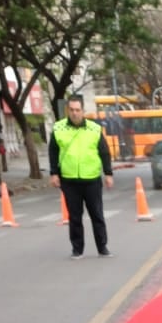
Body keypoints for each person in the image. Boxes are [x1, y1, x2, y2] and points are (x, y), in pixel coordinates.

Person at [49, 94, 114, 259]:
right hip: (69, 180)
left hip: (91, 179)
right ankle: (77, 249)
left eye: (77, 110)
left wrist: (108, 173)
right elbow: (53, 152)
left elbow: (104, 152)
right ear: (67, 110)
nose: (75, 113)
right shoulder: (58, 128)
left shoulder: (94, 129)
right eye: (71, 110)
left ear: (83, 111)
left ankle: (102, 247)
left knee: (97, 215)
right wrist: (54, 173)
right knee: (75, 216)